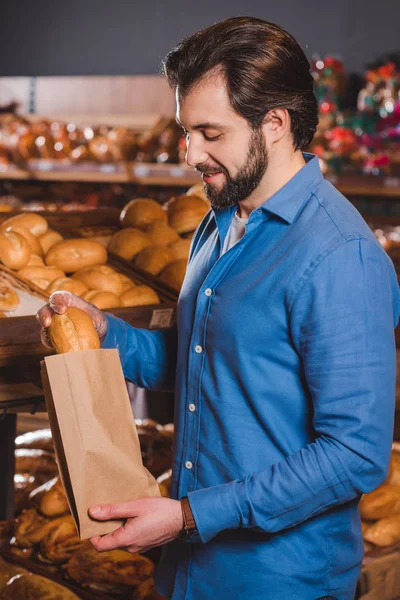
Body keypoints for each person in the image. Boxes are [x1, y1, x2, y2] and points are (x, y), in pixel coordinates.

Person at [37, 17, 400, 600]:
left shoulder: (340, 256)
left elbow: (354, 456)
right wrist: (108, 334)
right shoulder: (221, 220)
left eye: (210, 132)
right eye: (186, 132)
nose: (190, 154)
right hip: (188, 573)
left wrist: (187, 515)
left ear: (274, 123)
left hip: (280, 582)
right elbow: (207, 364)